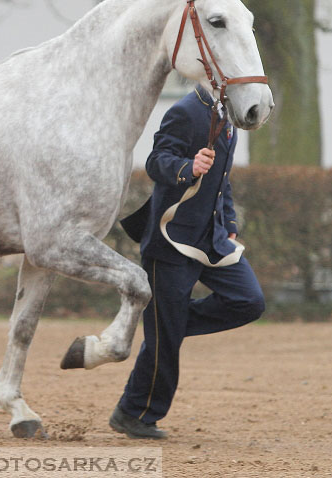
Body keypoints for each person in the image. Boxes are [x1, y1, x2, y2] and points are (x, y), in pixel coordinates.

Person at [109, 86, 266, 440]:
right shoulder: (185, 110)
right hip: (170, 241)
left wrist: (230, 226)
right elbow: (156, 162)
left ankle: (169, 324)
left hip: (212, 240)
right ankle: (134, 414)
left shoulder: (229, 117)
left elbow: (222, 184)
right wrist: (187, 167)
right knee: (165, 341)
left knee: (249, 301)